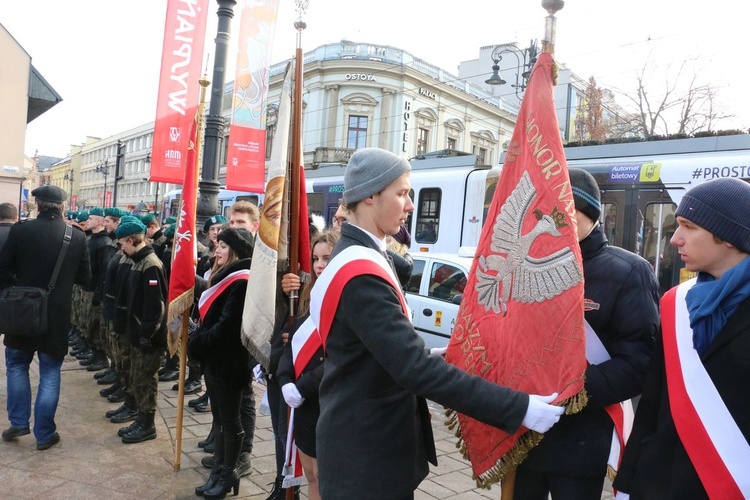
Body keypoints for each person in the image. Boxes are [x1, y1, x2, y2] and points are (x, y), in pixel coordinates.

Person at [313, 148, 565, 499]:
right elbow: (412, 370)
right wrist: (519, 408)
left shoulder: (363, 256)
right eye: (401, 193)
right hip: (366, 459)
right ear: (370, 196)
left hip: (368, 447)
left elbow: (373, 355)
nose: (410, 205)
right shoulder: (362, 273)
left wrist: (434, 355)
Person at [513, 169, 660, 499]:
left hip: (581, 443)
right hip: (522, 434)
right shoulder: (525, 263)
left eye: (563, 209)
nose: (553, 219)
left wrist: (565, 392)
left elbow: (638, 363)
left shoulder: (630, 272)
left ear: (590, 213)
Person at [613, 178, 750, 499]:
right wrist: (627, 485)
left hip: (730, 483)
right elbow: (652, 405)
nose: (675, 239)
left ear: (728, 236)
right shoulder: (677, 303)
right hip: (660, 481)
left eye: (688, 226)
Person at [0, 185, 91, 450]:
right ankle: (45, 433)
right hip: (56, 315)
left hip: (22, 310)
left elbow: (2, 270)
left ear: (37, 205)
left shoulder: (21, 230)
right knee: (50, 373)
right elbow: (86, 279)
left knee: (17, 366)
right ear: (62, 206)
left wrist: (17, 287)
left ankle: (18, 422)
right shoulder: (76, 237)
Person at [188, 227, 256, 499]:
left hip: (229, 362)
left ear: (236, 250)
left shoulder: (240, 279)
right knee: (219, 419)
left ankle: (227, 473)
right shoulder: (224, 275)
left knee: (230, 422)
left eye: (224, 246)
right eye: (218, 245)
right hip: (216, 361)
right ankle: (219, 471)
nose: (217, 249)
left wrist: (197, 342)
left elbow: (226, 328)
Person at [277, 230, 340, 500]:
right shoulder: (309, 295)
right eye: (316, 258)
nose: (319, 265)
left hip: (327, 401)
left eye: (327, 257)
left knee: (327, 478)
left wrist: (301, 387)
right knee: (312, 475)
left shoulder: (345, 296)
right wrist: (284, 380)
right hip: (304, 406)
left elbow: (339, 357)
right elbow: (291, 344)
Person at [115, 216, 168, 444]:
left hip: (148, 336)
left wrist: (147, 333)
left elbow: (155, 306)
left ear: (131, 240)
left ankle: (147, 424)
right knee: (138, 376)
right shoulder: (138, 260)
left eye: (122, 244)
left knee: (146, 379)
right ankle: (141, 418)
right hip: (137, 332)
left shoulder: (150, 264)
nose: (121, 248)